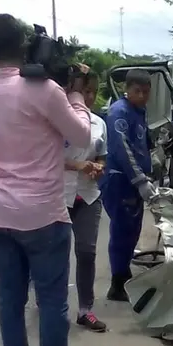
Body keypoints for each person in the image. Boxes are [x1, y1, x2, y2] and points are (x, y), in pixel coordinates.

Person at [0, 13, 95, 346]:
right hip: (41, 213)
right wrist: (74, 94)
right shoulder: (42, 90)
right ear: (23, 46)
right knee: (53, 303)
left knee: (10, 302)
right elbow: (81, 137)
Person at [100, 69, 157, 302]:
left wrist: (151, 166)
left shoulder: (137, 111)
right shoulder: (119, 113)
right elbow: (123, 150)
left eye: (146, 92)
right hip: (119, 180)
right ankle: (117, 282)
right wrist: (140, 179)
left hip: (131, 180)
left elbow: (141, 145)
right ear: (127, 89)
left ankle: (123, 274)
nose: (142, 95)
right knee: (122, 229)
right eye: (137, 91)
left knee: (133, 229)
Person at [63, 70, 108, 332]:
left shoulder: (99, 123)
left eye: (92, 92)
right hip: (60, 195)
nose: (88, 97)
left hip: (88, 196)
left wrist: (97, 167)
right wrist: (79, 164)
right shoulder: (58, 120)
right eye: (83, 92)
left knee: (87, 253)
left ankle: (85, 310)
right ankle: (51, 306)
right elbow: (47, 157)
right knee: (56, 254)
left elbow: (102, 154)